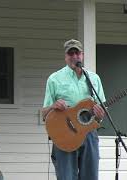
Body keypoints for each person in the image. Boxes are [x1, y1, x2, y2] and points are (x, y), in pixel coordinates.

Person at [42, 39, 106, 180]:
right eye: (70, 53)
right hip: (64, 135)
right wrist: (53, 106)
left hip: (89, 134)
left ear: (82, 55)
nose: (74, 56)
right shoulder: (54, 79)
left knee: (90, 176)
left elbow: (101, 111)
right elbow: (44, 113)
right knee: (66, 177)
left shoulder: (94, 79)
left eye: (77, 52)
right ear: (65, 56)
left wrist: (100, 114)